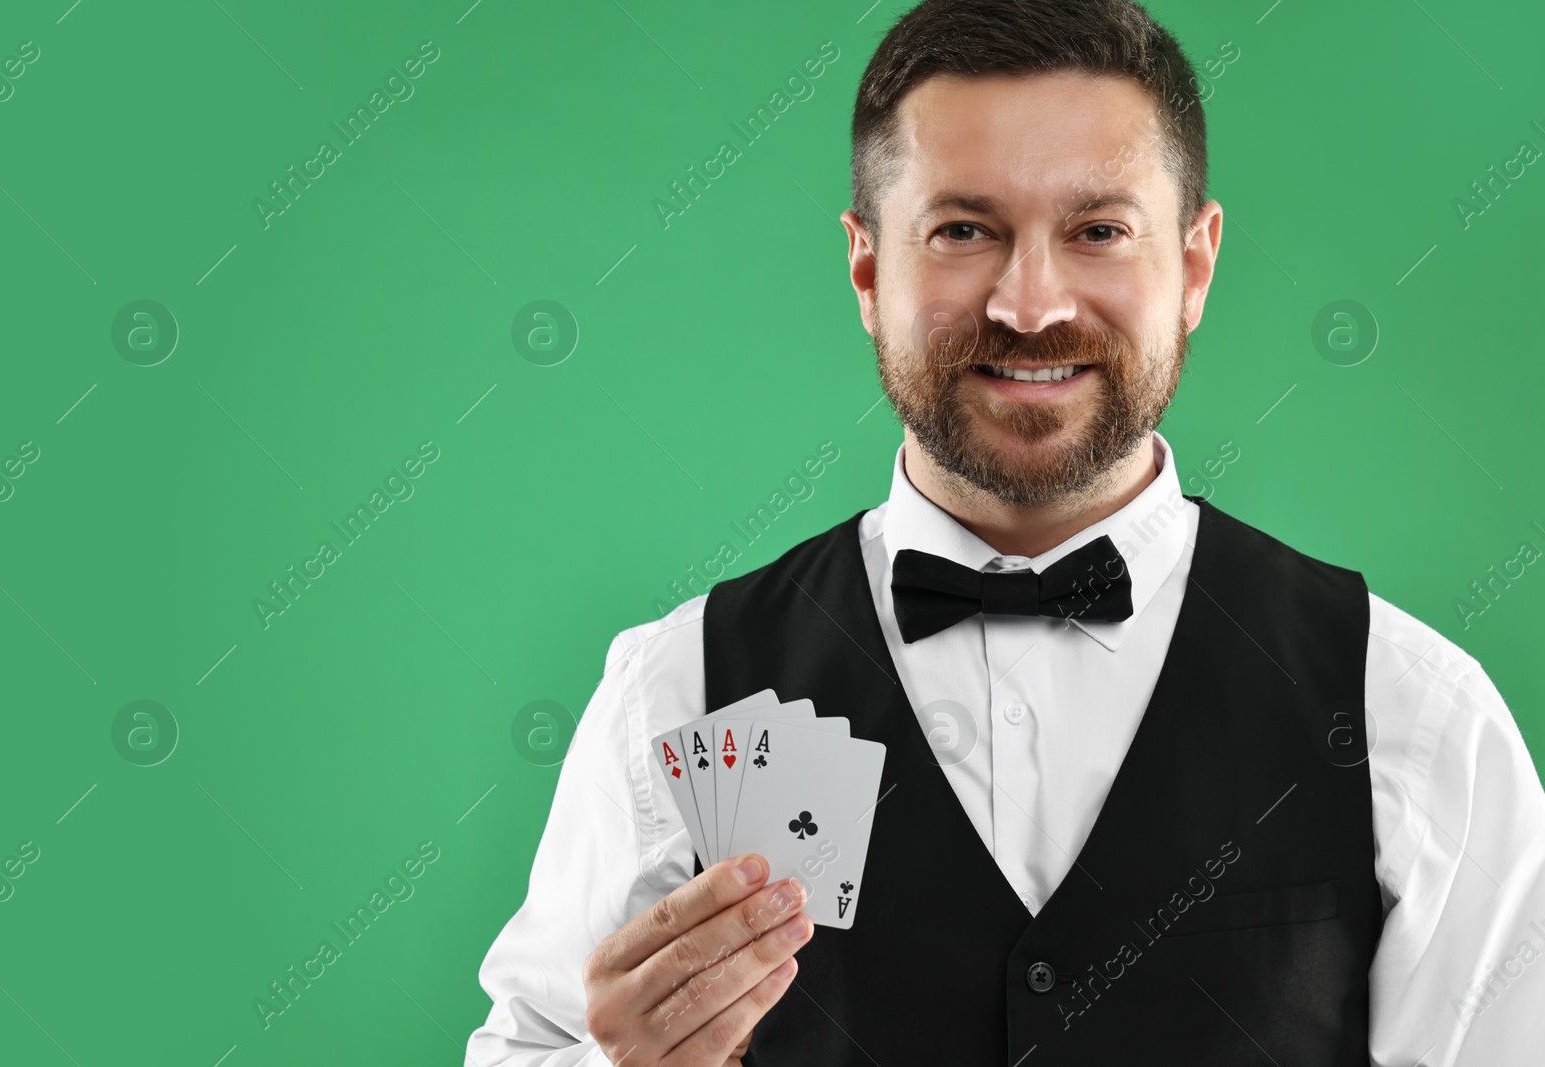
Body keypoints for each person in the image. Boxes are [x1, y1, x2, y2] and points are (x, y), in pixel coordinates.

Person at [465, 1, 1545, 1063]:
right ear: (868, 267)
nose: (1030, 305)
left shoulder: (1406, 709)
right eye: (963, 230)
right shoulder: (681, 690)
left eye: (1098, 231)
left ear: (1196, 264)